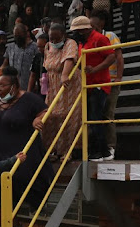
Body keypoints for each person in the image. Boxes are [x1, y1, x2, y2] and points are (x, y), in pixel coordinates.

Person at [0, 66, 54, 209]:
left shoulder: (29, 98)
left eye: (2, 86)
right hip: (1, 153)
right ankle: (12, 221)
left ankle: (34, 212)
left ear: (13, 86)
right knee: (5, 185)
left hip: (24, 152)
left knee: (27, 181)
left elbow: (45, 111)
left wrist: (37, 119)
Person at [70, 16, 116, 161]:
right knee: (91, 118)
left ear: (84, 29)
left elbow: (111, 57)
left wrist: (95, 69)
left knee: (94, 117)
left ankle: (99, 151)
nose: (75, 34)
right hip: (88, 85)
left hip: (99, 84)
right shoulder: (82, 43)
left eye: (77, 31)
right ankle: (103, 151)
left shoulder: (100, 39)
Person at [41, 24, 82, 158]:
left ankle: (67, 151)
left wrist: (64, 74)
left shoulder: (70, 43)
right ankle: (51, 150)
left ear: (63, 35)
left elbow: (69, 59)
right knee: (49, 117)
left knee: (67, 117)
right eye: (51, 39)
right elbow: (46, 66)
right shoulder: (47, 47)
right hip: (53, 86)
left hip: (69, 84)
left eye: (56, 39)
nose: (53, 42)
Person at [90, 11, 124, 160]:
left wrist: (119, 78)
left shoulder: (110, 36)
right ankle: (99, 147)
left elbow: (119, 57)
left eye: (93, 25)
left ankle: (110, 147)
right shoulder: (90, 38)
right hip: (97, 82)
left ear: (101, 24)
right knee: (96, 115)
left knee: (108, 113)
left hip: (110, 80)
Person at [3, 23, 38, 91]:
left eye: (19, 35)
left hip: (30, 85)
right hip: (14, 86)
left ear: (25, 34)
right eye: (15, 35)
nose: (17, 37)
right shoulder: (10, 48)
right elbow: (5, 64)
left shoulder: (35, 47)